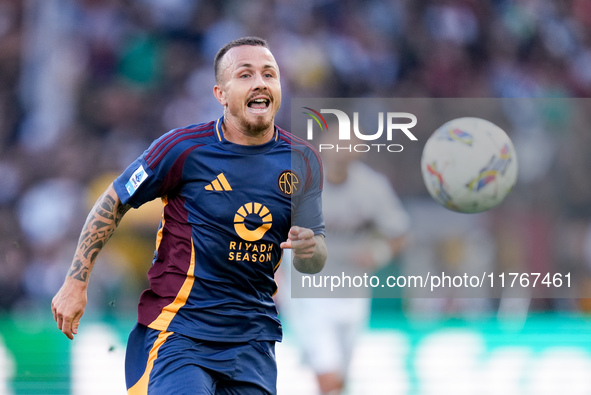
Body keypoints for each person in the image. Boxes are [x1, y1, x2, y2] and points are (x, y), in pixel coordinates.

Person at [51, 36, 327, 395]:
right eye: (245, 75)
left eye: (269, 74)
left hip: (253, 342)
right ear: (220, 93)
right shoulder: (183, 149)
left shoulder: (302, 160)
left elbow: (315, 256)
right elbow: (114, 200)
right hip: (177, 333)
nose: (260, 82)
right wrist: (76, 281)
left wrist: (310, 251)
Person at [283, 129, 410, 395]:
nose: (343, 147)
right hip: (308, 289)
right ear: (321, 145)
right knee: (326, 372)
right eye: (337, 141)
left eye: (350, 141)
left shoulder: (372, 186)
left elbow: (399, 233)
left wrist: (377, 254)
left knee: (341, 376)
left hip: (351, 290)